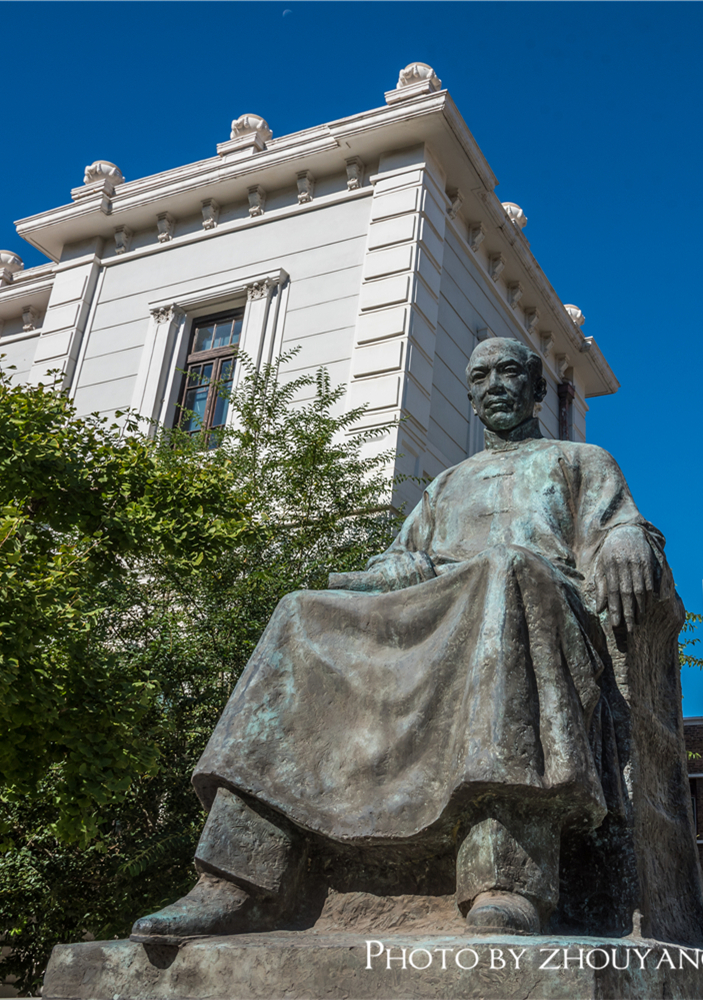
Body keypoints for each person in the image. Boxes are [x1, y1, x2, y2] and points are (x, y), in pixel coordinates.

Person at [131, 337, 672, 944]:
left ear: (537, 389)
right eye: (481, 375)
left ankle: (507, 878)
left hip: (538, 613)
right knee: (299, 611)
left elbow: (620, 528)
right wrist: (381, 574)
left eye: (509, 372)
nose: (495, 383)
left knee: (505, 570)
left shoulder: (582, 460)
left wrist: (629, 536)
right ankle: (237, 878)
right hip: (444, 613)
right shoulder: (445, 485)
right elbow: (397, 562)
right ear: (469, 394)